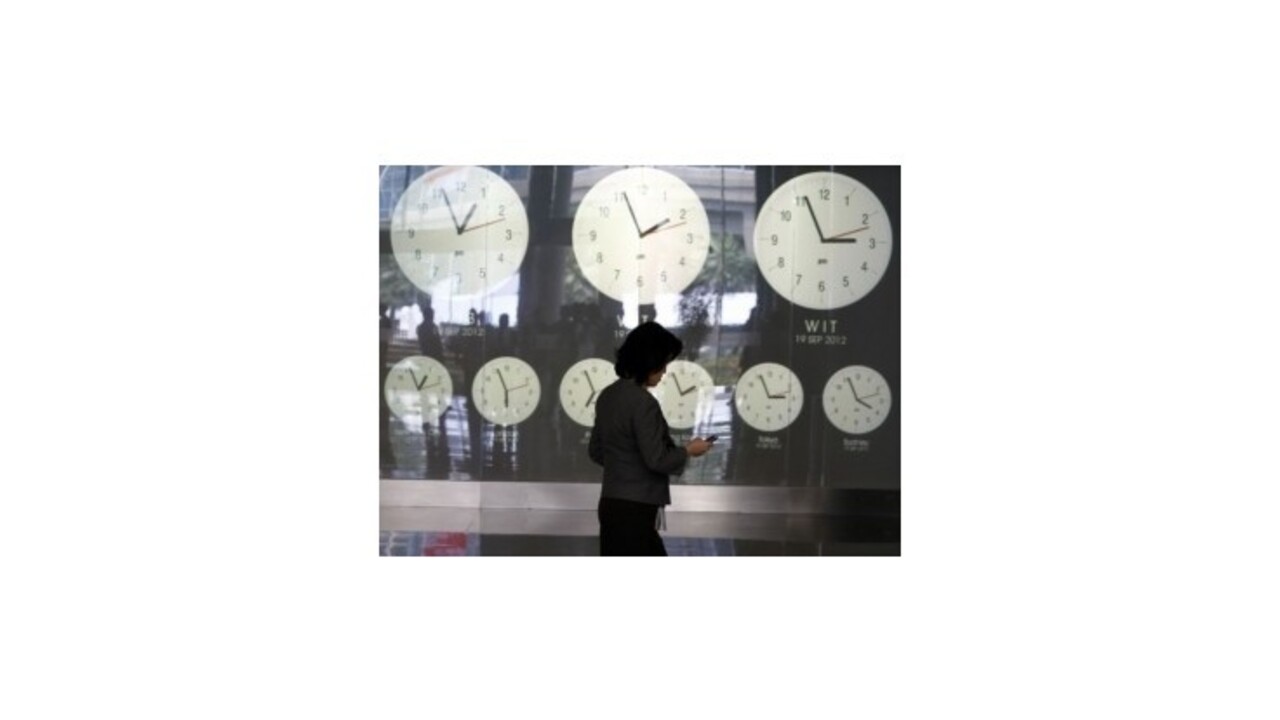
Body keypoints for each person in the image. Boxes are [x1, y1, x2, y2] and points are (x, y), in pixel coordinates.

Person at [589, 321, 713, 556]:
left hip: (610, 503)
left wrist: (625, 465)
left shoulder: (608, 396)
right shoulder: (643, 403)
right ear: (648, 361)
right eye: (662, 363)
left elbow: (596, 451)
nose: (664, 371)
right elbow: (657, 459)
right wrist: (689, 450)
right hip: (636, 508)